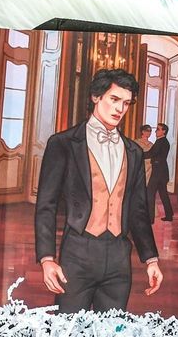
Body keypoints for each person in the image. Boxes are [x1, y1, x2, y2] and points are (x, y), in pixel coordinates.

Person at [35, 68, 162, 313]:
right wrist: (47, 259)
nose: (120, 109)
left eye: (126, 103)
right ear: (96, 97)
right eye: (114, 99)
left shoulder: (133, 152)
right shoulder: (63, 143)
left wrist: (151, 259)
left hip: (118, 258)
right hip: (77, 254)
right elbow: (46, 206)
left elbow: (138, 211)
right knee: (68, 335)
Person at [144, 123, 173, 222]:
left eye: (158, 129)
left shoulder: (160, 142)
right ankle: (169, 215)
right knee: (163, 194)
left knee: (150, 193)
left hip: (158, 172)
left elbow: (151, 153)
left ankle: (150, 218)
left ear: (163, 131)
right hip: (162, 172)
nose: (156, 131)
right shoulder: (163, 141)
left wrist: (139, 154)